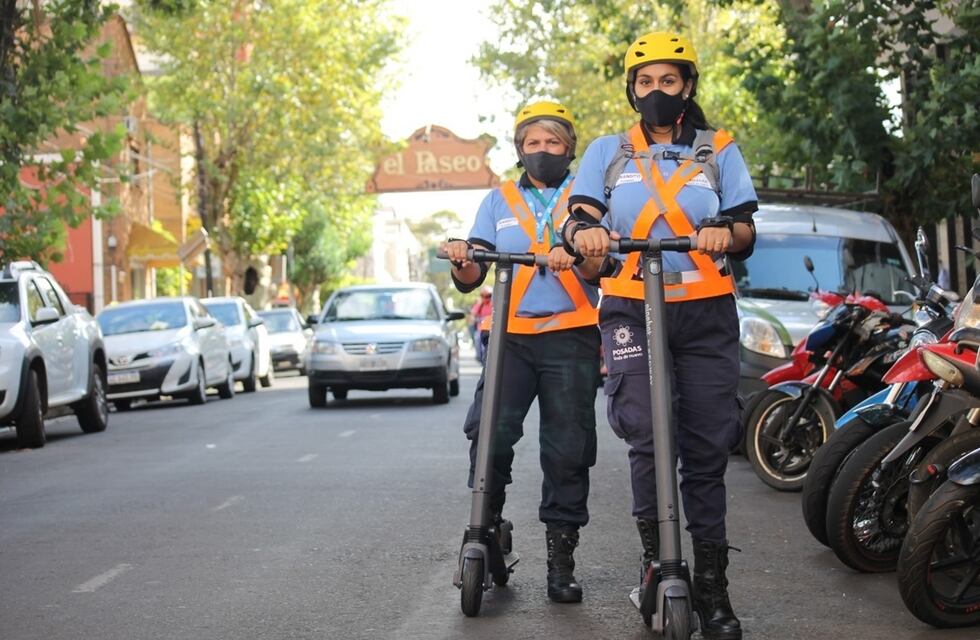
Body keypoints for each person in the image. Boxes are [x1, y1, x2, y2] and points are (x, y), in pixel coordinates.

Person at [564, 32, 757, 640]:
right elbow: (580, 217)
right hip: (628, 305)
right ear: (631, 90)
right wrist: (583, 235)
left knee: (705, 449)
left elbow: (747, 226)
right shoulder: (607, 150)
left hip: (705, 313)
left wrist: (727, 233)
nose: (655, 92)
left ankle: (714, 588)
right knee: (647, 435)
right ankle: (657, 563)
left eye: (667, 82)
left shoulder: (717, 148)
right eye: (644, 83)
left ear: (687, 87)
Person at [441, 100, 601, 604]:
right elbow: (472, 277)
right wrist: (463, 258)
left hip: (572, 335)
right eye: (533, 143)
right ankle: (485, 530)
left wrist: (578, 255)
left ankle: (561, 560)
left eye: (553, 143)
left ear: (569, 148)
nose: (543, 151)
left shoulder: (588, 197)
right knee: (488, 432)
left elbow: (604, 265)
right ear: (519, 149)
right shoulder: (498, 199)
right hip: (511, 337)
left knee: (567, 448)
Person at [469, 286, 493, 363]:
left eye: (488, 296)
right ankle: (479, 356)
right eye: (483, 296)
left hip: (492, 329)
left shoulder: (494, 304)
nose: (485, 298)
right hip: (481, 329)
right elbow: (472, 315)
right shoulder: (480, 305)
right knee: (477, 338)